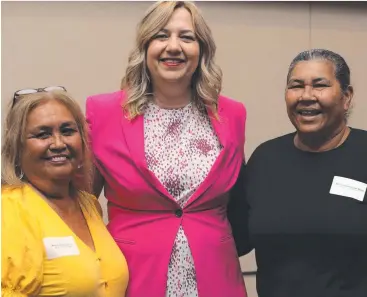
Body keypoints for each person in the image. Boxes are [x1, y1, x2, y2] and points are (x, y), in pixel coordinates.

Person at [86, 1, 249, 297]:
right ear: (145, 46)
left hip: (216, 274)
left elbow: (238, 200)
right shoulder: (104, 112)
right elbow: (84, 205)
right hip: (134, 274)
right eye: (161, 36)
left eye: (186, 37)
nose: (173, 46)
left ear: (202, 49)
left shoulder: (233, 114)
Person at [244, 49, 367, 297]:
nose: (306, 96)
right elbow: (235, 238)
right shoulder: (265, 158)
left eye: (319, 85)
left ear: (346, 97)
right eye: (296, 86)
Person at [1, 87, 129, 297]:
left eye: (68, 131)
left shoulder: (89, 205)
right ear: (18, 147)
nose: (59, 144)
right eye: (43, 134)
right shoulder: (10, 209)